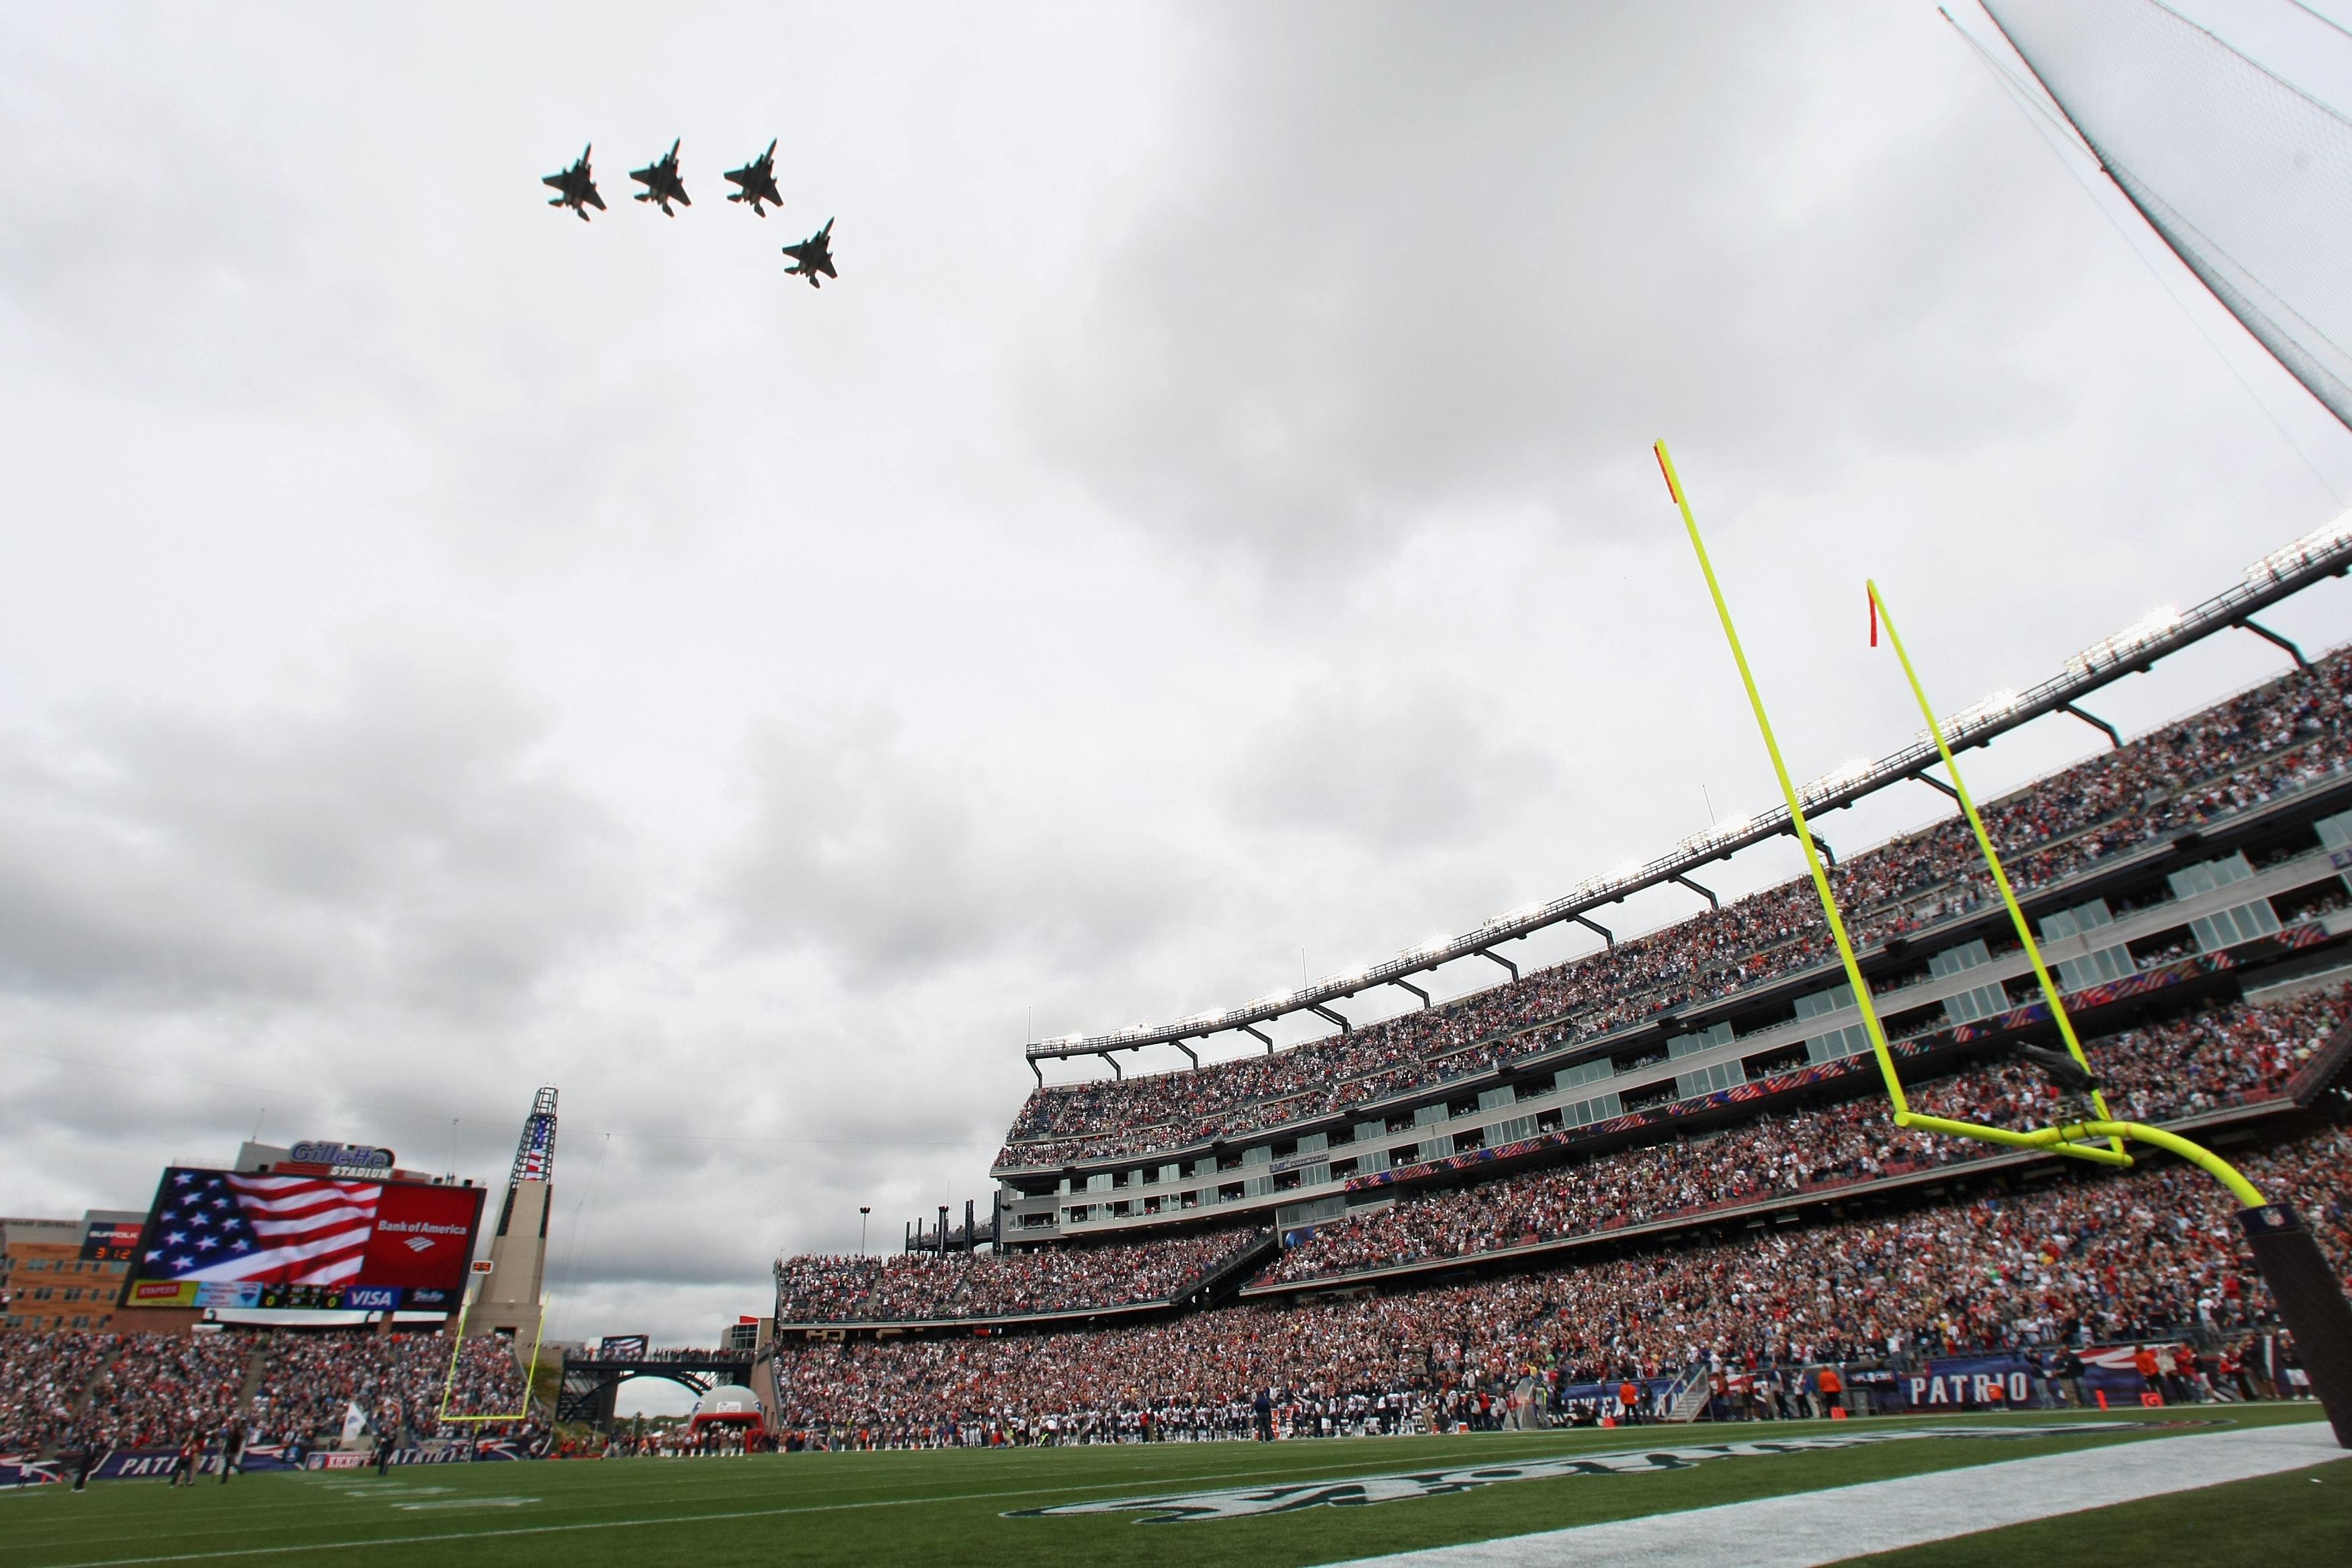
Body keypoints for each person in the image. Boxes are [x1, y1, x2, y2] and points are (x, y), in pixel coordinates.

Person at [219, 1418, 245, 1484]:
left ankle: (224, 1480)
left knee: (228, 1465)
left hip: (232, 1451)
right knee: (230, 1464)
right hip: (228, 1451)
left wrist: (229, 1452)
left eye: (232, 1427)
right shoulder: (230, 1434)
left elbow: (233, 1444)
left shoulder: (235, 1436)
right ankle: (240, 1470)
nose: (230, 1428)